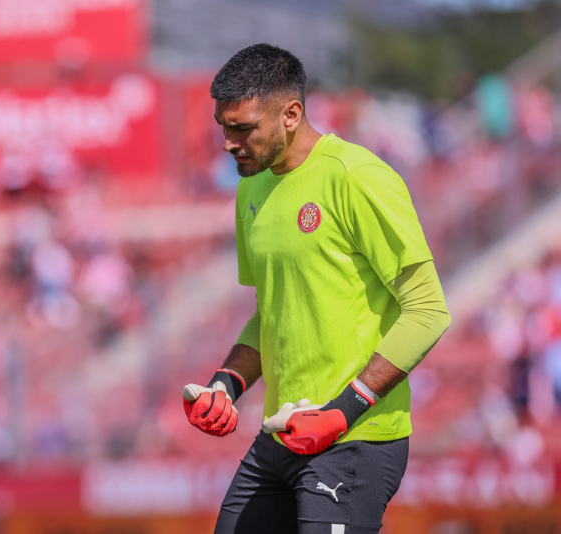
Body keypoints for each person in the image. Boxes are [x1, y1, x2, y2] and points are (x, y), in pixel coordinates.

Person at [182, 44, 451, 534]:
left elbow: (428, 309)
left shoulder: (357, 177)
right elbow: (271, 311)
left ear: (291, 115)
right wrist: (226, 384)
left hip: (356, 439)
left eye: (243, 128)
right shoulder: (251, 187)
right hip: (280, 437)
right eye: (224, 127)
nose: (229, 143)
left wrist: (341, 413)